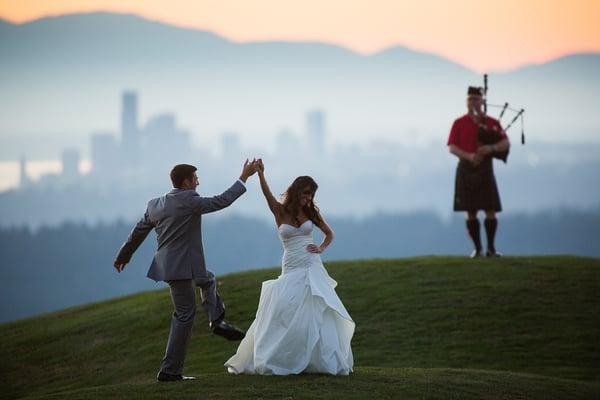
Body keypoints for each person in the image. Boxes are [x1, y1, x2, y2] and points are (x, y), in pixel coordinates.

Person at [113, 159, 258, 382]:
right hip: (183, 268)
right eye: (195, 179)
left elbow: (137, 232)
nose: (198, 182)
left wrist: (123, 256)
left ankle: (216, 319)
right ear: (186, 182)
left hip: (174, 266)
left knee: (208, 280)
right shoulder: (190, 200)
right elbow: (221, 201)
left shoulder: (155, 204)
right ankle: (169, 371)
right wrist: (244, 177)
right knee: (184, 316)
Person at [225, 159, 354, 375]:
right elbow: (267, 195)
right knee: (285, 309)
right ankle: (285, 356)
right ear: (296, 192)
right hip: (291, 264)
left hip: (311, 263)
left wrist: (321, 248)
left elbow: (329, 233)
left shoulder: (311, 212)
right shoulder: (279, 211)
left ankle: (318, 359)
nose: (308, 199)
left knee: (316, 308)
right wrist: (261, 175)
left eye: (311, 195)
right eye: (305, 194)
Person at [447, 86, 510, 257]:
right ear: (466, 102)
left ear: (482, 101)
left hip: (485, 169)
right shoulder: (459, 123)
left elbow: (505, 143)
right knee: (471, 211)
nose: (473, 102)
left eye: (476, 99)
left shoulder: (491, 122)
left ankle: (491, 248)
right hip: (466, 169)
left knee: (490, 210)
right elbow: (452, 147)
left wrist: (491, 148)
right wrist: (469, 156)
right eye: (470, 99)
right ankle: (478, 249)